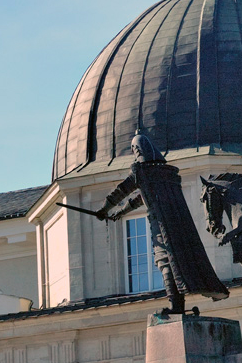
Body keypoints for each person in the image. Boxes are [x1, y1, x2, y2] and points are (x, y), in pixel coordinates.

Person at [96, 131, 228, 313]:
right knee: (174, 262)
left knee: (164, 261)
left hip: (161, 224)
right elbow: (140, 198)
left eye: (135, 149)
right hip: (179, 225)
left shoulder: (140, 171)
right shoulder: (167, 173)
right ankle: (178, 306)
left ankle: (176, 306)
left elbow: (121, 191)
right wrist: (120, 213)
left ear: (138, 150)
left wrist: (103, 210)